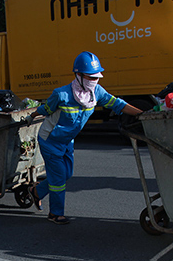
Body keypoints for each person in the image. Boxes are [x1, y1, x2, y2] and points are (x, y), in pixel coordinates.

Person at [25, 51, 142, 224]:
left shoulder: (96, 93)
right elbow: (46, 109)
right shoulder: (61, 94)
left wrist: (143, 115)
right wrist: (32, 115)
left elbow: (118, 104)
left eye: (96, 77)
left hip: (67, 141)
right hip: (50, 140)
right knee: (58, 179)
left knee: (67, 174)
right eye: (90, 77)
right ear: (78, 75)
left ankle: (36, 192)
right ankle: (55, 214)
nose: (94, 81)